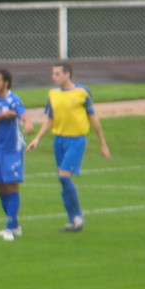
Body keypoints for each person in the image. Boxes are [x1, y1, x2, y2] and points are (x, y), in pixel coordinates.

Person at [26, 62, 112, 231]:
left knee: (64, 176)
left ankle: (77, 217)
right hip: (59, 140)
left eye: (57, 74)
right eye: (53, 74)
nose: (54, 77)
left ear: (67, 74)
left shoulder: (82, 93)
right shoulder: (53, 94)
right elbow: (50, 119)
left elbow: (93, 119)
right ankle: (73, 220)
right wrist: (37, 138)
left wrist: (103, 143)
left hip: (76, 140)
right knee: (63, 179)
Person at [0, 69, 33, 241]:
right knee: (0, 187)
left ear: (6, 83)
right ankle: (15, 225)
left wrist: (28, 122)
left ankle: (10, 228)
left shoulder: (13, 99)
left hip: (13, 149)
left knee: (11, 186)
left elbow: (23, 113)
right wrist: (3, 115)